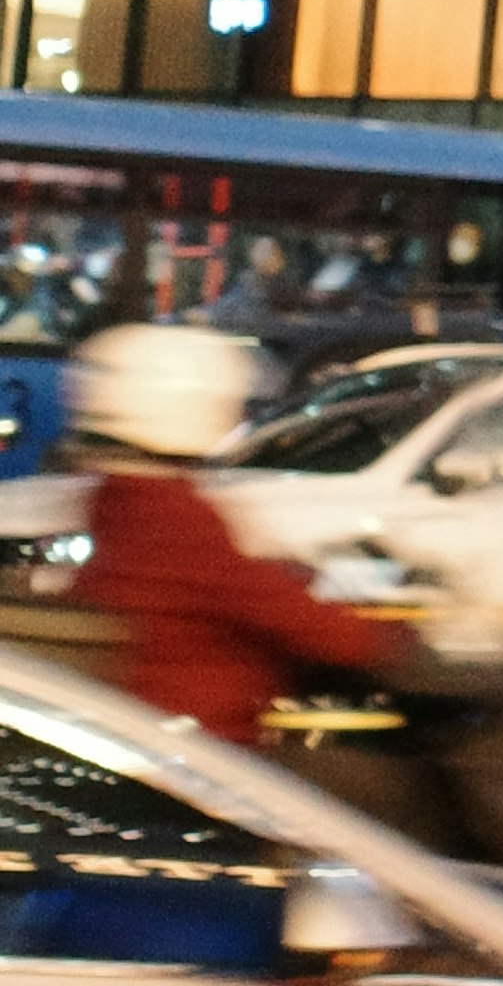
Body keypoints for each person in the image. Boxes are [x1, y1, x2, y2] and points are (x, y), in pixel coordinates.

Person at [69, 319, 412, 753]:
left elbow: (237, 585)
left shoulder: (116, 505)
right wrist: (398, 633)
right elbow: (314, 627)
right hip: (212, 756)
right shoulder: (174, 518)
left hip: (161, 741)